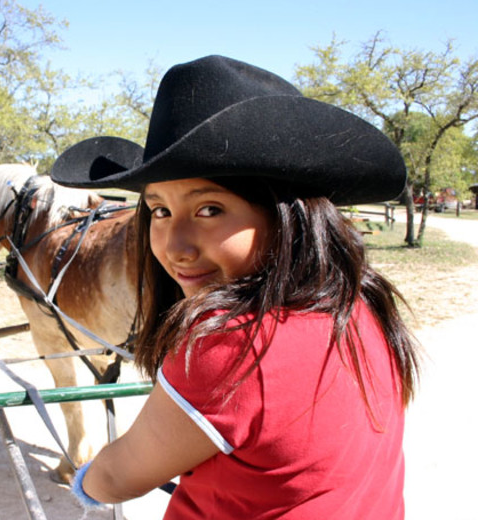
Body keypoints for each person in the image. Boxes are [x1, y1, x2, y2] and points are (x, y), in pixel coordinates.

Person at [50, 55, 421, 519]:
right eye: (160, 211)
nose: (176, 247)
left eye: (209, 209)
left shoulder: (234, 345)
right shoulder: (362, 306)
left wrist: (86, 482)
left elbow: (119, 476)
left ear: (290, 216)